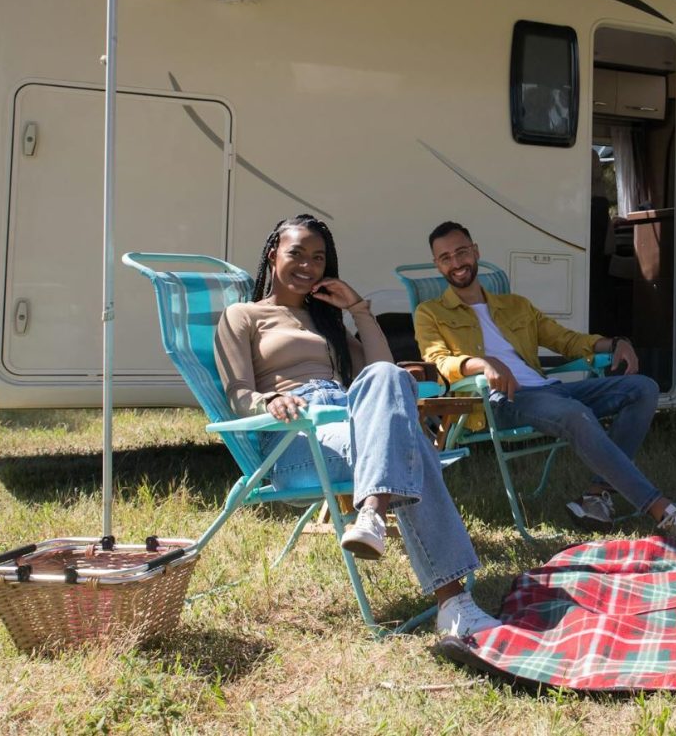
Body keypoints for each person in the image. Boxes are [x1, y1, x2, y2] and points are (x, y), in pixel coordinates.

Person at [214, 213, 500, 637]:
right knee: (413, 448)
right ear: (273, 254)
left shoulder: (325, 321)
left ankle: (371, 515)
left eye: (318, 258)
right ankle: (454, 603)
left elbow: (382, 369)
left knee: (391, 377)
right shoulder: (243, 315)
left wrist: (358, 309)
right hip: (294, 436)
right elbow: (236, 394)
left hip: (350, 417)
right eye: (296, 253)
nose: (308, 265)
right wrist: (269, 399)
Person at [413, 220, 676, 542]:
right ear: (437, 265)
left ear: (475, 252)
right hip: (501, 399)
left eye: (461, 252)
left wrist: (613, 343)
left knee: (642, 388)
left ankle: (596, 496)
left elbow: (565, 340)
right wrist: (483, 363)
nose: (456, 263)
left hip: (547, 390)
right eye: (445, 258)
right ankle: (662, 511)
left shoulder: (515, 305)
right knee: (573, 413)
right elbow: (439, 362)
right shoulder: (429, 312)